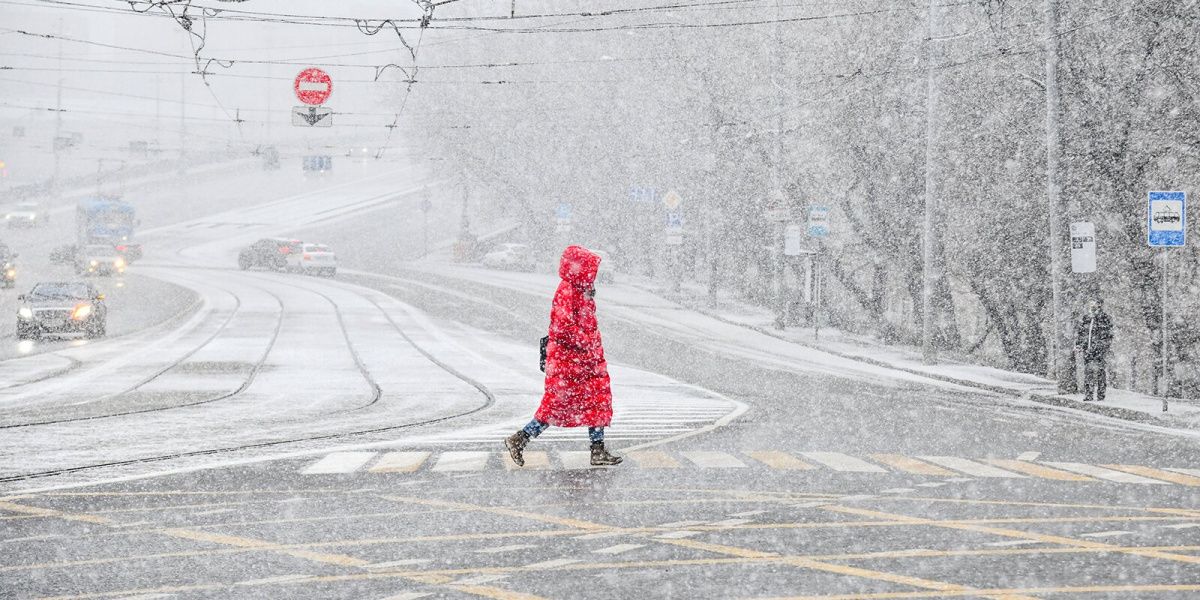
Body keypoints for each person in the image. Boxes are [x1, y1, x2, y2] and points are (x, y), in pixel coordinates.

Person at [506, 245, 622, 467]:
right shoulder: (568, 290)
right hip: (570, 361)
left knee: (596, 401)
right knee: (557, 405)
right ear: (579, 268)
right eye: (589, 269)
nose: (593, 274)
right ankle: (520, 438)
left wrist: (589, 348)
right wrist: (586, 343)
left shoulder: (581, 289)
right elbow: (562, 328)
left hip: (585, 360)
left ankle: (597, 450)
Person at [1075, 298, 1114, 402]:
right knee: (1088, 372)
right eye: (1091, 303)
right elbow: (1081, 333)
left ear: (1100, 305)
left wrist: (1101, 346)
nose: (1092, 306)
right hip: (1087, 350)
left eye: (1095, 303)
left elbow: (1107, 335)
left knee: (1100, 372)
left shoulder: (1104, 318)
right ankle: (1088, 394)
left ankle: (1101, 394)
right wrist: (1079, 345)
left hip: (1099, 351)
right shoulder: (1086, 318)